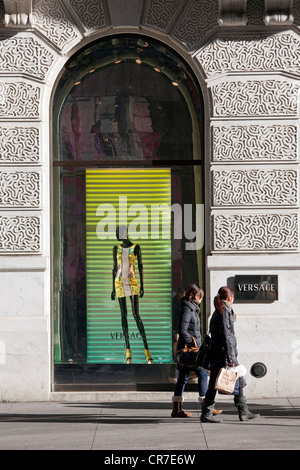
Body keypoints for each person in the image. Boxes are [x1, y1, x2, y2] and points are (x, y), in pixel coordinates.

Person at [200, 286, 259, 423]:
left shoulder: (217, 312)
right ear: (230, 298)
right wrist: (231, 358)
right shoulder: (225, 311)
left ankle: (208, 413)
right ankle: (242, 412)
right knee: (238, 380)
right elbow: (227, 336)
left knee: (216, 384)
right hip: (225, 355)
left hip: (219, 354)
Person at [171, 284, 222, 418]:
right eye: (201, 297)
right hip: (190, 350)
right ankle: (206, 407)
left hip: (189, 350)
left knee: (182, 377)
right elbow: (183, 330)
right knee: (203, 374)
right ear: (195, 296)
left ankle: (177, 409)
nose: (201, 300)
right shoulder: (188, 309)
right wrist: (193, 342)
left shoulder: (191, 308)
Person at [111, 226, 153, 364]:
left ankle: (147, 351)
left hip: (132, 282)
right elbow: (114, 268)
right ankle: (128, 353)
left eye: (118, 233)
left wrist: (142, 285)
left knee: (136, 314)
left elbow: (140, 266)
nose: (117, 235)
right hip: (119, 283)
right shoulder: (115, 249)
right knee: (123, 315)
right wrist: (113, 288)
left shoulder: (135, 247)